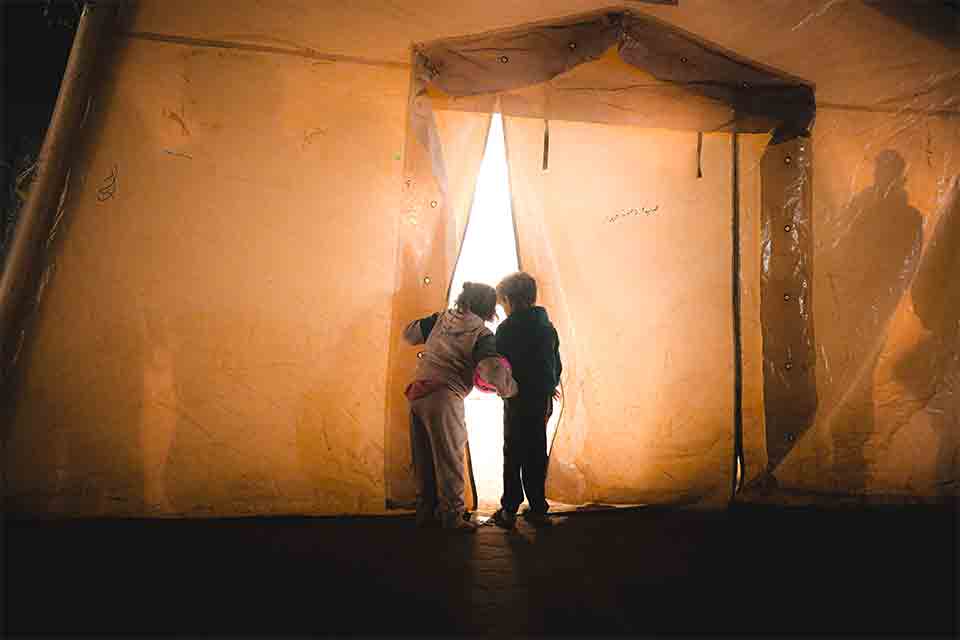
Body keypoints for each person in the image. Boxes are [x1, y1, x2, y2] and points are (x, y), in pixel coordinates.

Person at [403, 282, 517, 533]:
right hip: (444, 395)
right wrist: (510, 389)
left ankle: (425, 511)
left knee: (423, 459)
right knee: (449, 459)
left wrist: (434, 323)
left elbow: (409, 334)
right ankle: (452, 517)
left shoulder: (440, 319)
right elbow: (490, 369)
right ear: (488, 308)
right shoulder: (481, 333)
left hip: (417, 391)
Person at [490, 272, 562, 529]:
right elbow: (555, 362)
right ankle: (538, 507)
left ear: (509, 299)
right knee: (536, 451)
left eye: (502, 304)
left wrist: (502, 388)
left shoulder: (506, 329)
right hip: (541, 399)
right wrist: (550, 385)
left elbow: (498, 366)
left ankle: (510, 508)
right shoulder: (547, 327)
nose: (503, 309)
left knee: (513, 452)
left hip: (517, 399)